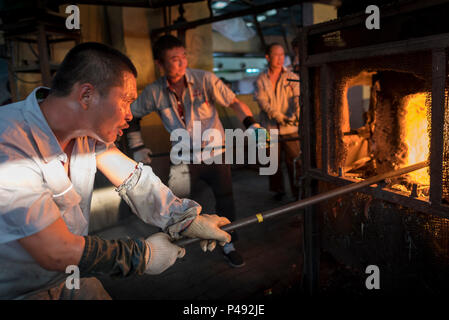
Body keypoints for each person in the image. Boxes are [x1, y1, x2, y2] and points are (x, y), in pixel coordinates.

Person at [0, 42, 233, 300]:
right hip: (19, 290)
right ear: (86, 95)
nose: (129, 115)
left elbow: (133, 179)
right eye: (125, 100)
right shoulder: (9, 143)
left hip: (71, 275)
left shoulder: (86, 134)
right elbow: (55, 250)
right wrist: (141, 255)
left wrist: (184, 218)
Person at [125, 35, 267, 268]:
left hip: (215, 154)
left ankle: (228, 243)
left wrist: (253, 126)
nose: (181, 63)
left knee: (225, 200)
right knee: (178, 205)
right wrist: (137, 146)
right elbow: (132, 117)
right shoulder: (154, 92)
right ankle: (176, 247)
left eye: (183, 57)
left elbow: (233, 102)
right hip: (183, 159)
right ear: (160, 64)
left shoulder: (204, 80)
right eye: (173, 59)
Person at [254, 43, 301, 201]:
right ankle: (277, 190)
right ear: (268, 57)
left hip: (291, 128)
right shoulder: (261, 79)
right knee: (272, 162)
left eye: (282, 55)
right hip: (268, 127)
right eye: (276, 55)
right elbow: (262, 101)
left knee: (294, 161)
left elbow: (297, 98)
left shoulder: (292, 77)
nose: (280, 58)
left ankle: (298, 192)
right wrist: (277, 115)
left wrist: (296, 114)